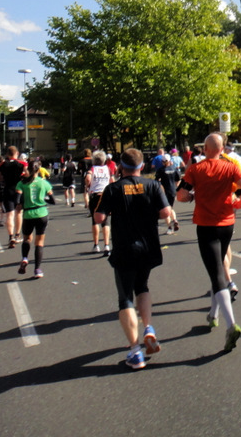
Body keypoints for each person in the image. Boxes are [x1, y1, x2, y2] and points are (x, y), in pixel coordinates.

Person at [94, 148, 171, 370]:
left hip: (124, 248)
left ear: (120, 167)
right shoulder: (153, 185)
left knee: (125, 297)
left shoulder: (113, 189)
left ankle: (135, 351)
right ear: (142, 166)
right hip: (148, 246)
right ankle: (148, 328)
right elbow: (166, 213)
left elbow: (99, 216)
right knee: (143, 286)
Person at [177, 133, 241, 352]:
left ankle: (231, 325)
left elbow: (181, 195)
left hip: (206, 225)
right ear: (221, 149)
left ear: (205, 149)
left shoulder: (195, 169)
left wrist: (192, 197)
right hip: (227, 224)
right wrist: (239, 203)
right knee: (217, 269)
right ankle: (213, 314)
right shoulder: (230, 167)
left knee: (217, 274)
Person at [15, 160, 54, 279]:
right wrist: (42, 199)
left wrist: (21, 205)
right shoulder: (45, 183)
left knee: (27, 238)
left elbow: (17, 199)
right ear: (39, 169)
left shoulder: (22, 183)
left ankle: (25, 258)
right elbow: (53, 201)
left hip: (28, 214)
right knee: (39, 242)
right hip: (42, 213)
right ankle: (37, 269)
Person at [0, 146, 27, 249]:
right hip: (19, 190)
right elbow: (27, 175)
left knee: (9, 214)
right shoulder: (22, 164)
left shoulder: (2, 165)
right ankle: (18, 235)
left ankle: (11, 236)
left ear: (7, 154)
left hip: (7, 189)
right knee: (19, 213)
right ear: (17, 153)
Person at [85, 150, 114, 254]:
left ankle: (96, 245)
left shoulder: (92, 169)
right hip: (105, 194)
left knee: (95, 220)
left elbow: (88, 178)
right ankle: (106, 245)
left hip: (95, 195)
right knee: (106, 221)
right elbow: (112, 181)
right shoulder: (108, 169)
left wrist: (88, 185)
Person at [155, 156, 180, 234]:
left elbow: (157, 182)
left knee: (165, 209)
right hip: (172, 190)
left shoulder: (161, 170)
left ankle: (169, 227)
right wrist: (177, 189)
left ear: (162, 162)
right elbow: (178, 180)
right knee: (171, 207)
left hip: (164, 191)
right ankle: (175, 220)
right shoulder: (174, 169)